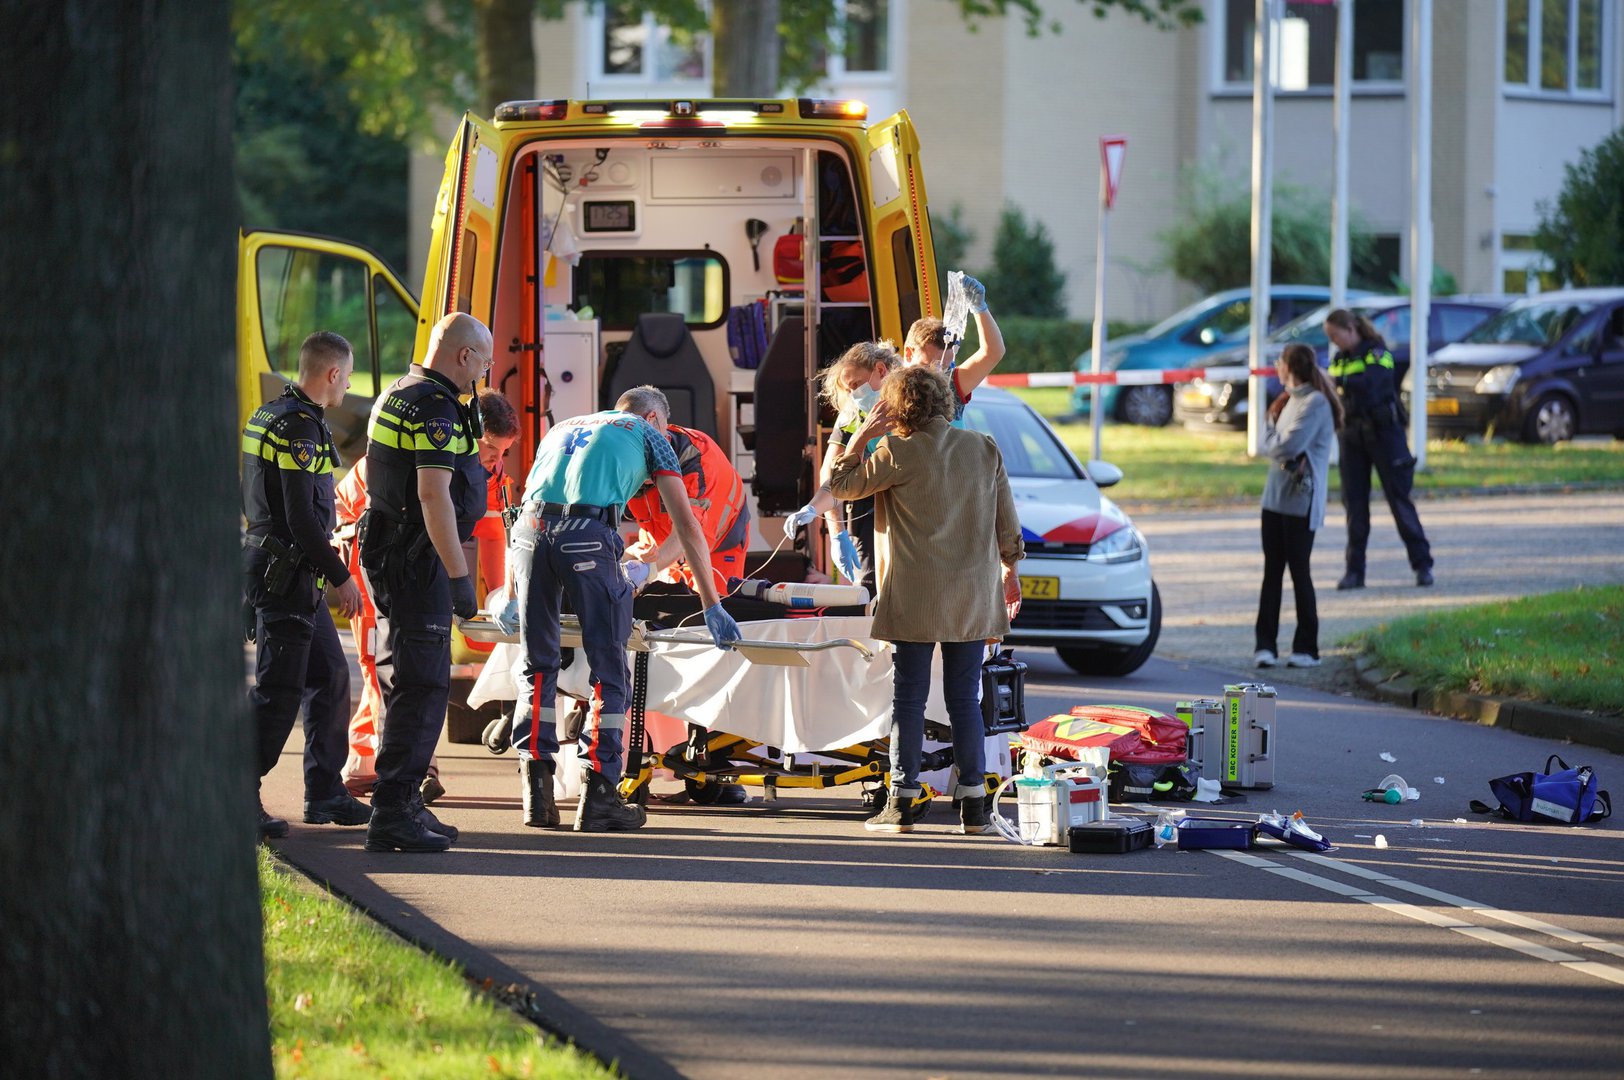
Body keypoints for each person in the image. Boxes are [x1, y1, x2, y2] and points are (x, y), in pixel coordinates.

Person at [508, 385, 742, 831]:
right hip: (585, 539)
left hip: (527, 537)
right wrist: (712, 604)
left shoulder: (565, 427)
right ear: (656, 419)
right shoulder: (653, 436)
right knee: (609, 673)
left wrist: (509, 590)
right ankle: (598, 798)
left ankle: (536, 799)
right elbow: (689, 526)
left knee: (537, 667)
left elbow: (523, 507)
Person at [827, 365, 1024, 835]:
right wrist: (1011, 572)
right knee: (965, 698)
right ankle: (974, 804)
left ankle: (902, 801)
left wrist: (860, 437)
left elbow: (840, 485)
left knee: (909, 699)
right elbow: (1007, 521)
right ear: (943, 402)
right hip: (971, 596)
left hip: (914, 596)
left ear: (897, 407)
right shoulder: (983, 448)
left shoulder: (896, 450)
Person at [337, 389, 519, 805]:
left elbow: (492, 534)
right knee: (381, 658)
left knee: (401, 663)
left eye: (504, 453)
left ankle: (368, 767)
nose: (497, 462)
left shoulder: (488, 473)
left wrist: (496, 596)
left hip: (413, 555)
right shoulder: (414, 453)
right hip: (367, 546)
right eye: (492, 450)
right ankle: (399, 770)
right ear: (470, 434)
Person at [357, 312, 494, 853]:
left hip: (396, 553)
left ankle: (404, 801)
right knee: (423, 683)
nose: (481, 374)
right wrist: (460, 578)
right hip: (417, 562)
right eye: (481, 362)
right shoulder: (436, 409)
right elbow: (433, 494)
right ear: (464, 355)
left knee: (413, 679)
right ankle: (393, 810)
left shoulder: (398, 391)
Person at [788, 277, 1004, 584]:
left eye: (945, 366)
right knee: (880, 590)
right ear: (910, 352)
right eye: (930, 365)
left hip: (943, 503)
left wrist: (980, 309)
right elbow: (833, 475)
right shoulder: (868, 404)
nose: (938, 374)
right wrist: (831, 527)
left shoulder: (952, 385)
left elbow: (992, 353)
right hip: (887, 505)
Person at [242, 330, 369, 839]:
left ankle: (324, 793)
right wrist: (341, 578)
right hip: (285, 576)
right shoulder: (300, 428)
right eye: (349, 373)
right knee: (278, 693)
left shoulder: (270, 413)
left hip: (289, 571)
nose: (350, 383)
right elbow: (299, 517)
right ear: (333, 374)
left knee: (331, 676)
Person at [1324, 308, 1435, 589]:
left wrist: (1339, 382)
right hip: (1351, 436)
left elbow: (1372, 385)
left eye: (1336, 335)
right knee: (1355, 505)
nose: (1334, 341)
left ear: (1351, 329)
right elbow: (1333, 392)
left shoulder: (1378, 352)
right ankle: (1354, 572)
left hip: (1384, 434)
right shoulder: (1340, 360)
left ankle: (1422, 565)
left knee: (1399, 500)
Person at [1254, 344, 1342, 669]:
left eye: (1279, 362)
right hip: (1274, 499)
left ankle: (1307, 647)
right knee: (1271, 573)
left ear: (1289, 366)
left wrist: (1272, 443)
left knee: (1299, 572)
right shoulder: (1286, 400)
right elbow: (1266, 443)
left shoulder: (1315, 402)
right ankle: (1265, 646)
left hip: (1300, 503)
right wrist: (1273, 443)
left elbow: (1289, 444)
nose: (1276, 366)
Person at [621, 416, 750, 598]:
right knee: (663, 611)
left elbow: (689, 529)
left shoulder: (697, 459)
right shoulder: (622, 459)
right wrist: (629, 555)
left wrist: (646, 570)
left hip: (718, 544)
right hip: (659, 544)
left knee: (709, 609)